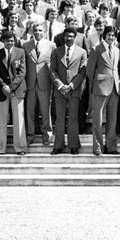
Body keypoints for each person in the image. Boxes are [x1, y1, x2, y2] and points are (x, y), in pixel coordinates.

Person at [50, 27, 87, 155]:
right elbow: (53, 70)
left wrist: (71, 86)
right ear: (63, 37)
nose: (69, 38)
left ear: (75, 37)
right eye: (67, 36)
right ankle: (58, 145)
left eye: (72, 36)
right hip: (59, 90)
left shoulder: (81, 52)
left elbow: (82, 72)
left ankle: (73, 145)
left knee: (73, 118)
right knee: (59, 118)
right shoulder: (56, 52)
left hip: (74, 90)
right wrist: (60, 86)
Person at [86, 25, 120, 156]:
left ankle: (111, 147)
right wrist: (95, 85)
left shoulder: (117, 50)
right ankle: (98, 147)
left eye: (113, 35)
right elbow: (90, 71)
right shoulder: (96, 49)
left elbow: (115, 68)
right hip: (100, 87)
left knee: (113, 119)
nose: (111, 37)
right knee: (98, 119)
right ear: (104, 36)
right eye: (109, 35)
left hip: (114, 87)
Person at [0, 30, 27, 155]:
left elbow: (22, 72)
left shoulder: (21, 52)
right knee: (2, 121)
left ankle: (21, 147)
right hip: (2, 91)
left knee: (19, 120)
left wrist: (11, 87)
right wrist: (4, 86)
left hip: (17, 90)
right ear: (3, 41)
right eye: (7, 41)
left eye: (12, 41)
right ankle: (0, 148)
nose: (10, 43)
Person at [24, 22, 56, 146]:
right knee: (30, 111)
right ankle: (30, 135)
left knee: (45, 110)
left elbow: (53, 65)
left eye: (40, 30)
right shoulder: (26, 45)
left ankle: (47, 135)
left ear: (44, 31)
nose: (38, 32)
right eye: (35, 30)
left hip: (45, 82)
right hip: (30, 83)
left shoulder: (51, 45)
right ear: (32, 31)